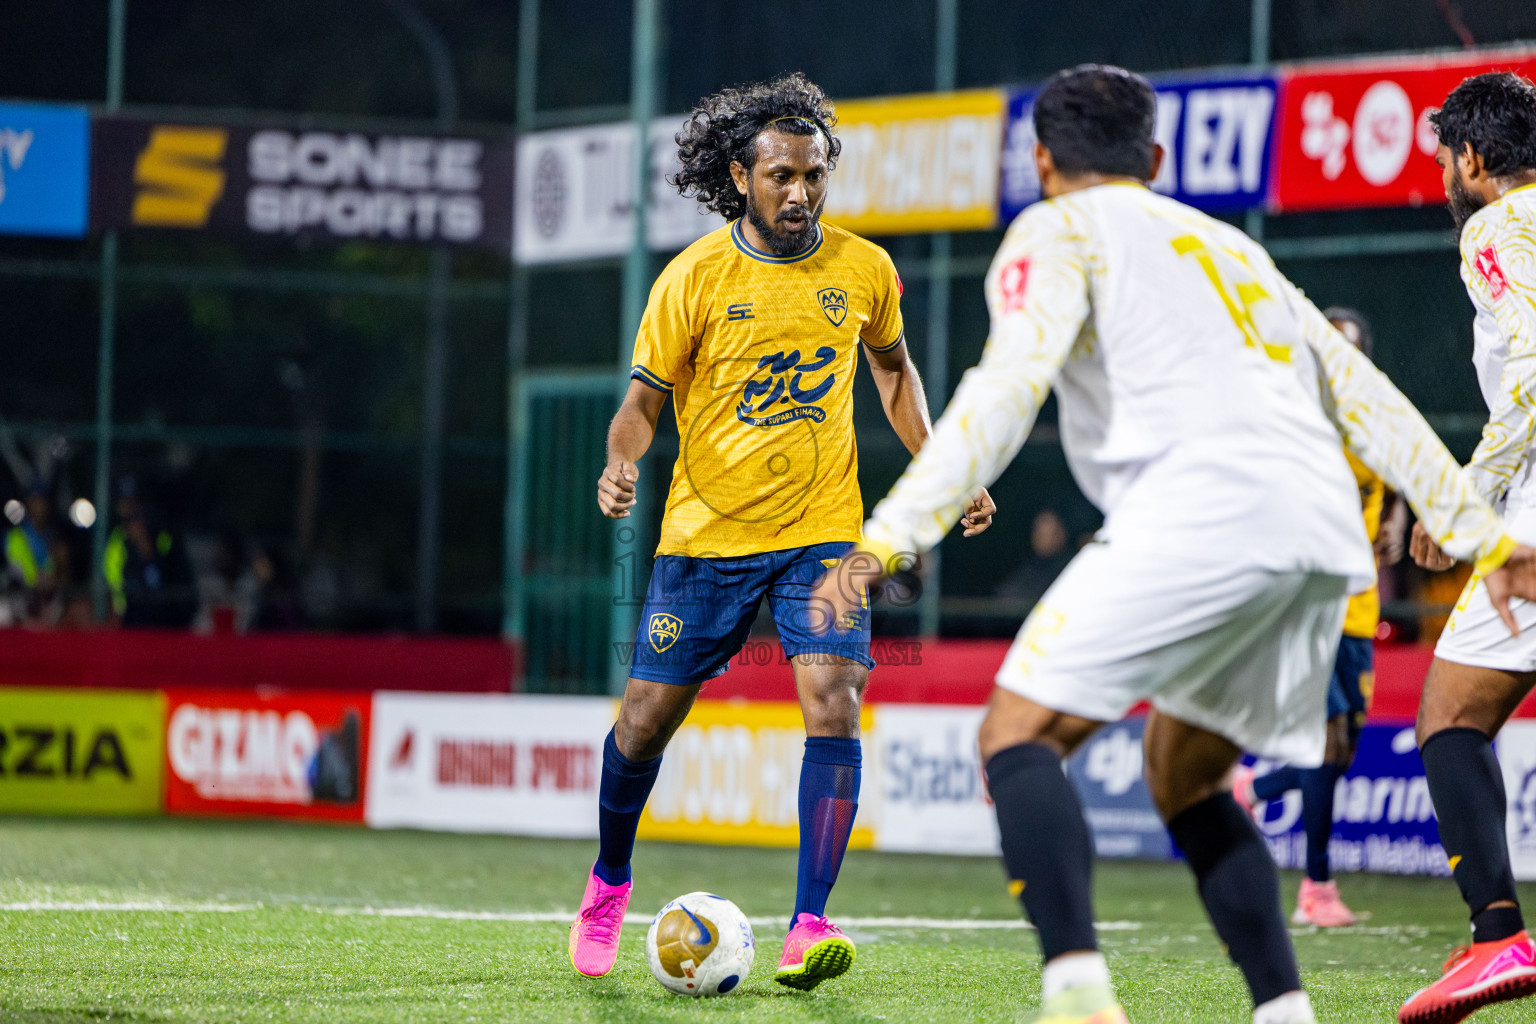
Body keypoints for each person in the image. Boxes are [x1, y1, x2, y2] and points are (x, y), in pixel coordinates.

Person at [811, 64, 1536, 1024]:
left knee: (1015, 736)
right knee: (1184, 775)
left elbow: (1004, 390)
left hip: (1202, 514)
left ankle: (1076, 999)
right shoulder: (1231, 247)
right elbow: (1365, 398)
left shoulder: (1056, 230)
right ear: (1155, 159)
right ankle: (1284, 1010)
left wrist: (885, 540)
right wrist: (1481, 530)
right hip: (1320, 537)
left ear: (1040, 162)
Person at [571, 72, 997, 989]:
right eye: (780, 176)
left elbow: (894, 377)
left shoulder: (864, 269)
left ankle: (809, 923)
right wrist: (621, 462)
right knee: (643, 724)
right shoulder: (692, 278)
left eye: (813, 174)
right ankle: (608, 883)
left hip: (822, 531)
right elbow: (641, 406)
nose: (799, 191)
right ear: (742, 176)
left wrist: (945, 467)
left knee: (833, 695)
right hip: (703, 536)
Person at [1398, 71, 1536, 1024]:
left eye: (1447, 156)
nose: (1445, 174)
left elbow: (1532, 366)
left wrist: (1462, 503)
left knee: (1449, 716)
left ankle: (1498, 938)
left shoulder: (1492, 228)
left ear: (1475, 160)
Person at [1232, 308, 1408, 928]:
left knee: (1343, 746)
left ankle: (1252, 791)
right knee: (1325, 739)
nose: (1342, 360)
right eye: (1331, 349)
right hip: (1312, 597)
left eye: (1352, 350)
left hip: (1360, 600)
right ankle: (1317, 886)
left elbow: (1400, 476)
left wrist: (1398, 522)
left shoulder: (1376, 419)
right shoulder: (1297, 421)